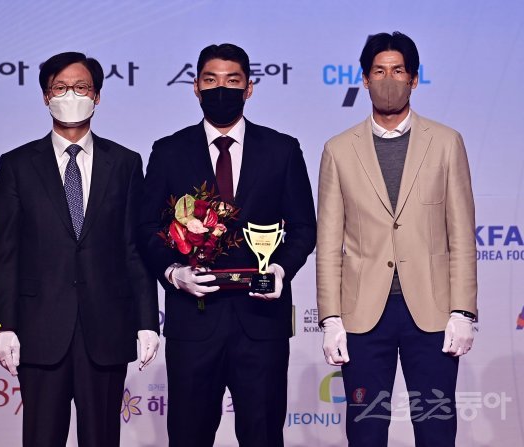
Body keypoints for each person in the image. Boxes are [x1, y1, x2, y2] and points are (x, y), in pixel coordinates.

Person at [138, 43, 316, 447]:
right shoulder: (169, 151)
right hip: (193, 323)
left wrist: (280, 269)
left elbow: (304, 227)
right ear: (196, 88)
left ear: (249, 88)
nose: (222, 89)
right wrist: (173, 273)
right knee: (188, 436)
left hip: (261, 323)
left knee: (263, 435)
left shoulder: (282, 150)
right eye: (211, 80)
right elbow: (148, 227)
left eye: (232, 81)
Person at [0, 51, 160, 447]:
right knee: (41, 438)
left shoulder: (125, 163)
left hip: (107, 328)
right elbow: (6, 252)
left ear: (96, 96)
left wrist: (147, 320)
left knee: (102, 438)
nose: (71, 95)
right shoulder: (17, 164)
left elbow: (134, 249)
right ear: (45, 96)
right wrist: (3, 325)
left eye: (81, 87)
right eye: (61, 87)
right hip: (39, 329)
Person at [317, 32, 477, 446]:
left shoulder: (446, 142)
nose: (388, 80)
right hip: (363, 316)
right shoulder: (338, 150)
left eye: (398, 71)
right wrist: (330, 318)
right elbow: (329, 243)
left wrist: (463, 311)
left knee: (436, 427)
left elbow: (462, 235)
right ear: (365, 79)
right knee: (366, 430)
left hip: (432, 313)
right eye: (379, 71)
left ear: (414, 79)